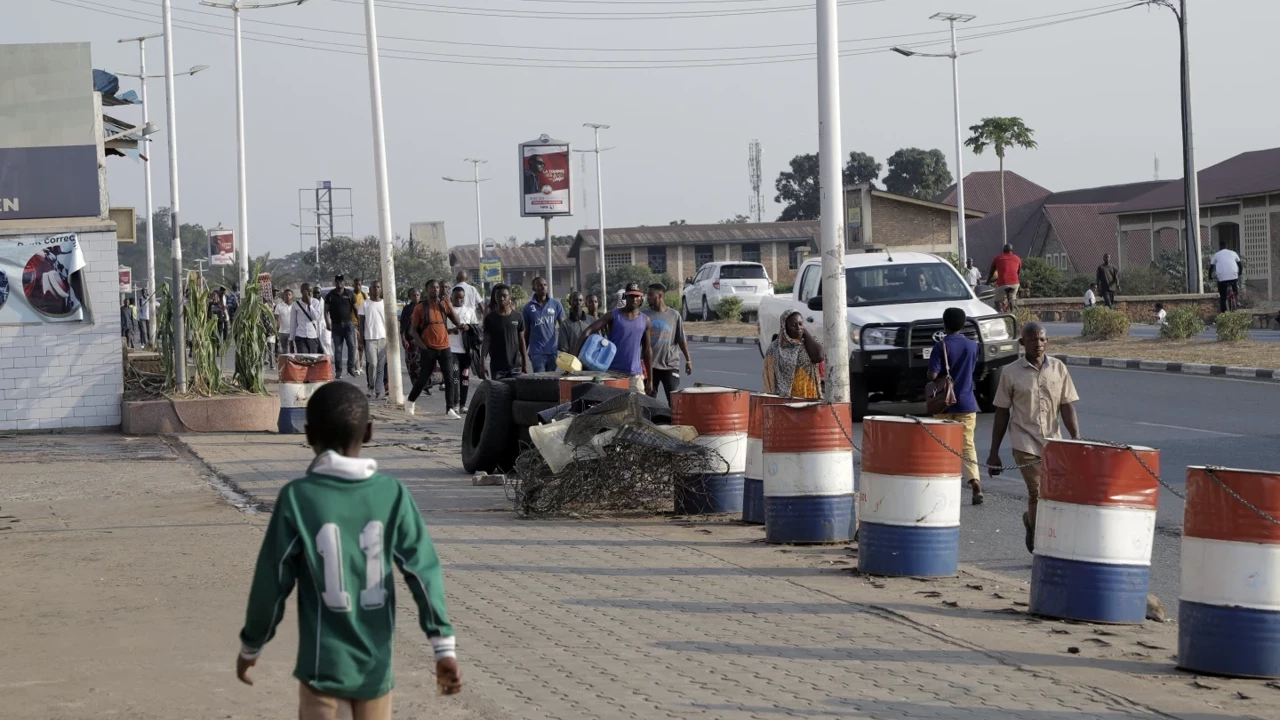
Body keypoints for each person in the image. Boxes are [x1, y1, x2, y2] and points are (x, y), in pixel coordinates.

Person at [234, 382, 462, 717]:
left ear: (309, 435)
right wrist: (442, 645)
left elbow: (272, 581)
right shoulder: (392, 495)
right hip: (375, 670)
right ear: (369, 432)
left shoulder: (297, 498)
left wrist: (252, 645)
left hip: (321, 670)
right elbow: (423, 573)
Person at [986, 322, 1081, 553]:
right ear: (1022, 343)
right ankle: (1041, 544)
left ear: (1047, 341)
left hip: (1053, 442)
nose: (1038, 344)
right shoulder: (1010, 373)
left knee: (1053, 493)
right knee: (1036, 491)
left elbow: (1067, 405)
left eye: (1042, 339)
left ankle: (1032, 521)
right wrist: (994, 452)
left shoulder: (1059, 368)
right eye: (1032, 340)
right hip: (1024, 441)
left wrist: (1076, 439)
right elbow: (1001, 413)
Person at [928, 308, 982, 506]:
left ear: (944, 324)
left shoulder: (940, 346)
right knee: (967, 444)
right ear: (963, 324)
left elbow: (932, 376)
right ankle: (974, 481)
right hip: (967, 403)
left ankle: (945, 486)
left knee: (943, 445)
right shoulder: (973, 346)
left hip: (943, 405)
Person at [573, 282, 653, 392]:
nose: (634, 299)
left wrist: (650, 380)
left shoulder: (645, 320)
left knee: (638, 407)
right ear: (625, 297)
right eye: (631, 296)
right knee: (612, 408)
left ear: (641, 298)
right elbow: (588, 331)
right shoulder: (613, 316)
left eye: (637, 296)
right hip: (613, 374)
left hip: (635, 376)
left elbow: (647, 350)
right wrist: (574, 357)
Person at [408, 280, 463, 418]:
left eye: (438, 287)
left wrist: (450, 304)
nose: (436, 290)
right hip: (428, 348)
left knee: (449, 378)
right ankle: (410, 401)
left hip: (445, 347)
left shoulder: (444, 304)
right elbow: (413, 330)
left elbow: (457, 322)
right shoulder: (420, 308)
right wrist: (422, 346)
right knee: (423, 378)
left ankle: (449, 409)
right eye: (433, 287)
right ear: (427, 290)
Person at [643, 283, 693, 404]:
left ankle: (675, 422)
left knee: (673, 401)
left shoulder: (674, 315)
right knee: (648, 402)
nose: (647, 297)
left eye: (650, 294)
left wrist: (688, 360)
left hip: (670, 365)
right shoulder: (644, 315)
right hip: (650, 366)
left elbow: (681, 339)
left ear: (660, 296)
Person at [762, 310, 823, 399]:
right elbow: (769, 376)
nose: (798, 328)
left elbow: (819, 357)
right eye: (793, 325)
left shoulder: (808, 342)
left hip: (808, 393)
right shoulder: (775, 348)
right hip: (783, 398)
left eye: (800, 324)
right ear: (784, 327)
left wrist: (805, 333)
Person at [478, 284, 529, 382]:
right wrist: (482, 363)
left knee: (515, 394)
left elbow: (522, 340)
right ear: (495, 298)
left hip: (515, 367)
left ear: (509, 297)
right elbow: (486, 341)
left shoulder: (518, 316)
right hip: (497, 368)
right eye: (498, 296)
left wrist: (525, 363)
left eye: (504, 296)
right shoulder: (490, 318)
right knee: (499, 395)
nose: (501, 298)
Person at [522, 276, 564, 373]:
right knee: (540, 379)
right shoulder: (527, 308)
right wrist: (523, 353)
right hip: (536, 352)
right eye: (539, 285)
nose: (543, 287)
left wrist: (564, 348)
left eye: (545, 285)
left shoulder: (556, 304)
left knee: (551, 380)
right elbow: (526, 332)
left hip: (552, 351)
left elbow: (563, 327)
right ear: (534, 288)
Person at [448, 286, 479, 412]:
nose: (459, 300)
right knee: (455, 377)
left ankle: (463, 404)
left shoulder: (470, 311)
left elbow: (477, 328)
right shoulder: (448, 312)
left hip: (466, 351)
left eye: (462, 298)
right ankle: (455, 403)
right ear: (452, 297)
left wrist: (468, 327)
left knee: (465, 378)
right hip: (452, 350)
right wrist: (452, 330)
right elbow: (442, 329)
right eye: (456, 298)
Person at [358, 282, 388, 400]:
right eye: (373, 287)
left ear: (381, 289)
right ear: (370, 290)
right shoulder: (365, 304)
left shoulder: (385, 304)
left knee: (381, 366)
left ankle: (379, 390)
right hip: (369, 338)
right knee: (372, 364)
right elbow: (361, 323)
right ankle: (371, 385)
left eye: (378, 287)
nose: (376, 289)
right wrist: (360, 339)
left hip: (383, 338)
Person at [324, 275, 358, 378]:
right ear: (335, 282)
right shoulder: (330, 295)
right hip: (336, 325)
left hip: (348, 324)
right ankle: (338, 371)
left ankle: (350, 368)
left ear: (344, 282)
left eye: (341, 281)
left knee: (352, 346)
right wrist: (328, 323)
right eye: (337, 281)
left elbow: (355, 309)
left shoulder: (350, 294)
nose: (339, 283)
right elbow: (325, 311)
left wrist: (359, 323)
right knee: (338, 349)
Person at [1210, 239, 1244, 312]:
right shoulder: (1233, 253)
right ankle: (1237, 299)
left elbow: (1211, 267)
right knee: (1234, 285)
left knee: (1223, 296)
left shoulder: (1216, 255)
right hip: (1233, 276)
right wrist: (1239, 273)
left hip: (1222, 278)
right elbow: (1240, 265)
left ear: (1220, 247)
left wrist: (1210, 276)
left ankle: (1223, 312)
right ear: (1227, 246)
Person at [290, 283, 325, 354]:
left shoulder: (315, 302)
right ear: (301, 291)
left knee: (312, 359)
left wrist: (310, 304)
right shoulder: (295, 304)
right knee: (303, 359)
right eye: (307, 291)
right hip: (300, 336)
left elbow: (316, 317)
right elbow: (293, 323)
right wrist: (291, 339)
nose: (309, 293)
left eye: (311, 291)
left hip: (312, 336)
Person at [987, 244, 1022, 311]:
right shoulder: (1018, 259)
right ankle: (1012, 313)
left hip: (1003, 283)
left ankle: (999, 314)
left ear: (1003, 251)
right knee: (1011, 297)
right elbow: (1018, 273)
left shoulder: (997, 258)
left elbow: (991, 273)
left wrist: (987, 281)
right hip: (1015, 284)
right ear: (1012, 251)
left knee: (996, 301)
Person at [559, 291, 594, 355]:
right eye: (575, 300)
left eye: (580, 300)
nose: (578, 303)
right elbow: (564, 349)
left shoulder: (591, 320)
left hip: (590, 359)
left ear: (583, 303)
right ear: (570, 302)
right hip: (574, 361)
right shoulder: (565, 325)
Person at [399, 287, 421, 388]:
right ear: (410, 297)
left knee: (424, 364)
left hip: (423, 340)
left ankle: (425, 385)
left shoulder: (424, 307)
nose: (416, 297)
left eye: (417, 295)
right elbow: (403, 325)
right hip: (411, 341)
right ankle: (416, 385)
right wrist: (403, 339)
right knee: (412, 365)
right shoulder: (407, 309)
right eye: (413, 295)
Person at [352, 279, 367, 376]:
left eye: (359, 285)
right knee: (355, 346)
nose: (358, 286)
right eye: (356, 284)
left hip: (363, 323)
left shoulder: (364, 296)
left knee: (361, 346)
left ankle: (361, 366)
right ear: (353, 285)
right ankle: (356, 367)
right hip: (353, 323)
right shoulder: (350, 295)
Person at [274, 289, 294, 356]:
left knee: (292, 349)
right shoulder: (279, 306)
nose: (287, 296)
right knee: (285, 350)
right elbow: (276, 318)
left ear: (292, 296)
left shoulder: (295, 306)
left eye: (289, 295)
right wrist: (276, 328)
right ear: (283, 296)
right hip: (282, 332)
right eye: (286, 295)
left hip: (293, 331)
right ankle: (287, 364)